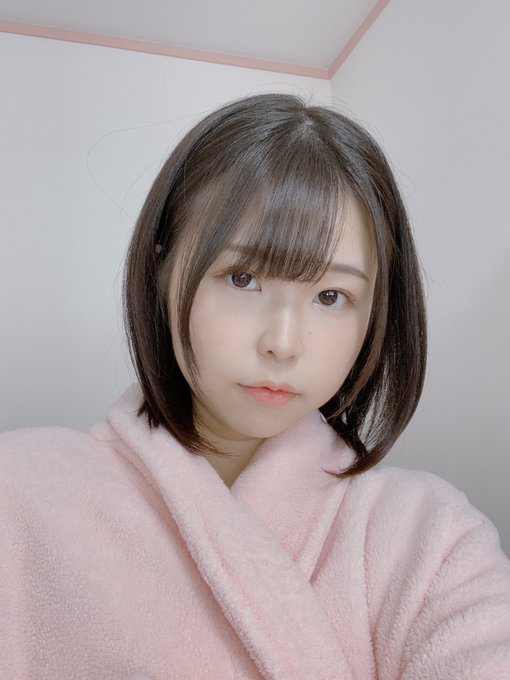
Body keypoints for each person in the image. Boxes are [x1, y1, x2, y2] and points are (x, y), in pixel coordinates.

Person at [1, 93, 509, 679]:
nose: (283, 343)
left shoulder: (432, 536)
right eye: (242, 278)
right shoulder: (18, 488)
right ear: (163, 271)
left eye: (331, 296)